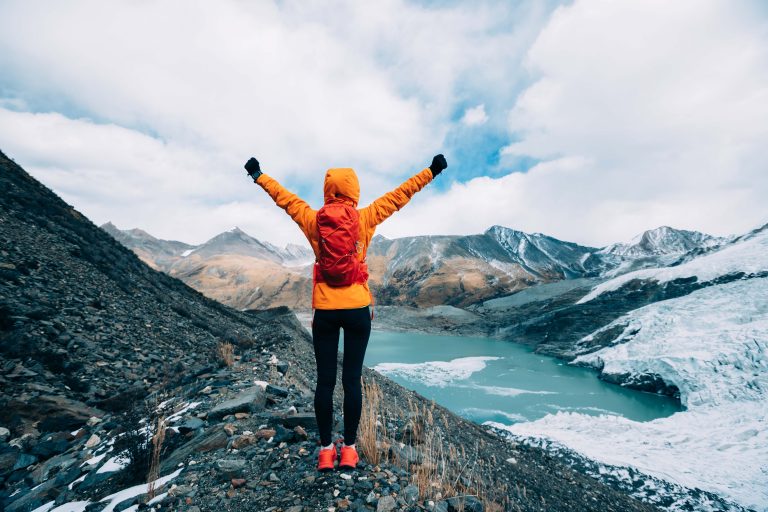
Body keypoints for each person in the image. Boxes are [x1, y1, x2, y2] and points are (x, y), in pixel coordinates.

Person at [244, 154, 448, 471]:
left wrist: (258, 175)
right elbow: (400, 195)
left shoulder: (313, 220)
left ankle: (326, 451)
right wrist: (431, 172)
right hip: (357, 311)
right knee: (352, 381)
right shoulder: (365, 218)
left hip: (325, 311)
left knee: (325, 383)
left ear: (328, 191)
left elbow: (284, 199)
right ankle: (350, 450)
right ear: (354, 191)